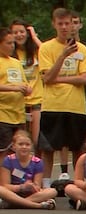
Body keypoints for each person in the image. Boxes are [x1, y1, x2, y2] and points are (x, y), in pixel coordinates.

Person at [38, 8, 86, 188]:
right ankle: (46, 186)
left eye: (67, 23)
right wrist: (62, 55)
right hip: (53, 105)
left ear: (72, 25)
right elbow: (47, 78)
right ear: (54, 24)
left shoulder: (82, 48)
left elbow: (84, 79)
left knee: (77, 148)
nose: (64, 27)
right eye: (60, 23)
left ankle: (78, 186)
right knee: (48, 149)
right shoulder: (46, 47)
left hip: (76, 106)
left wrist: (59, 79)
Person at [10, 20, 44, 153]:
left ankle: (36, 164)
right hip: (17, 101)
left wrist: (34, 37)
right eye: (15, 32)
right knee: (19, 141)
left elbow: (48, 52)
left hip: (37, 100)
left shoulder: (35, 51)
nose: (19, 35)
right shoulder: (9, 53)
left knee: (36, 141)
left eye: (22, 32)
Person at [0, 130, 57, 209]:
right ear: (13, 146)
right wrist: (22, 187)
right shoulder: (8, 160)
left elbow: (37, 186)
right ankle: (37, 205)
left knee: (52, 191)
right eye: (20, 144)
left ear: (31, 146)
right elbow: (5, 185)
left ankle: (16, 203)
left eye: (27, 144)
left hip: (30, 194)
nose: (24, 147)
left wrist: (31, 186)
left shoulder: (37, 162)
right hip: (12, 192)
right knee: (1, 189)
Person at [0, 26, 31, 161]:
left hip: (18, 115)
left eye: (13, 43)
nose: (12, 46)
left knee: (18, 152)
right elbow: (15, 86)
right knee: (4, 152)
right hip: (3, 115)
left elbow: (24, 83)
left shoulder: (16, 62)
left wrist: (27, 89)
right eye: (8, 43)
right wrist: (14, 88)